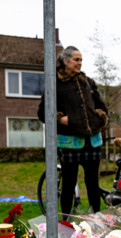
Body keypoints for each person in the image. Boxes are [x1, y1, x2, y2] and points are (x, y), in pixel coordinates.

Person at [37, 46, 108, 215]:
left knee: (93, 183)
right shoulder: (55, 83)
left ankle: (96, 218)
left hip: (93, 142)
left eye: (81, 60)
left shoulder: (88, 82)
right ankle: (66, 219)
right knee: (68, 184)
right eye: (76, 59)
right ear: (65, 61)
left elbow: (101, 107)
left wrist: (98, 118)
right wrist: (60, 118)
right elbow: (42, 112)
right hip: (69, 144)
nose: (80, 63)